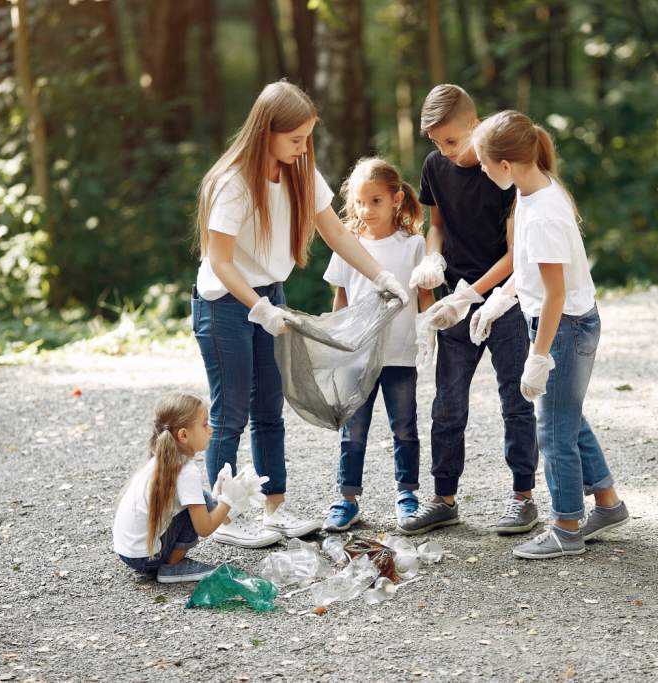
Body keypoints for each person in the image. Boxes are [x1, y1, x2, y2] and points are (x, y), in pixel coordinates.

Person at [192, 81, 409, 548]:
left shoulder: (300, 172)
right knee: (231, 413)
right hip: (225, 302)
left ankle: (274, 511)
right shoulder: (230, 183)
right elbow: (220, 262)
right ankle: (221, 517)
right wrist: (259, 308)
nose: (302, 148)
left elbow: (337, 234)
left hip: (270, 293)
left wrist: (380, 276)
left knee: (270, 409)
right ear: (265, 132)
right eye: (295, 139)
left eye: (307, 138)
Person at [471, 110, 629, 559]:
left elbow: (556, 294)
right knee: (568, 417)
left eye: (484, 164)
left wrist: (538, 357)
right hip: (557, 320)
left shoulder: (543, 213)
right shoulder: (532, 192)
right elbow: (530, 271)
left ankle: (566, 527)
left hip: (564, 327)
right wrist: (499, 300)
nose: (482, 171)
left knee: (553, 431)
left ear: (505, 165)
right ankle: (607, 503)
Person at [399, 84, 538, 536]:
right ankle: (444, 499)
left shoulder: (503, 171)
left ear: (475, 126)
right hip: (454, 303)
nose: (444, 151)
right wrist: (432, 258)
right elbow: (435, 225)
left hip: (505, 302)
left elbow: (516, 254)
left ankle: (523, 497)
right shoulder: (436, 166)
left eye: (452, 141)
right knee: (447, 404)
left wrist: (470, 296)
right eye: (436, 143)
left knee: (515, 400)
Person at [320, 158, 436, 532]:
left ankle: (407, 495)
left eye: (375, 201)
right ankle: (347, 499)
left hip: (401, 355)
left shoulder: (413, 245)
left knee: (404, 427)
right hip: (358, 358)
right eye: (359, 202)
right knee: (353, 430)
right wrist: (336, 343)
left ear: (397, 199)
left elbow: (425, 296)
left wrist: (428, 332)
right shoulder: (347, 245)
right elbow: (341, 299)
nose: (365, 210)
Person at [111, 393, 266, 582]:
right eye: (205, 424)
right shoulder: (186, 470)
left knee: (201, 498)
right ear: (183, 435)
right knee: (197, 504)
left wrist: (222, 497)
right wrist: (228, 500)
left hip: (128, 552)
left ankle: (171, 559)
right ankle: (172, 566)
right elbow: (204, 528)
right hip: (147, 558)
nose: (211, 429)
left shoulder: (162, 459)